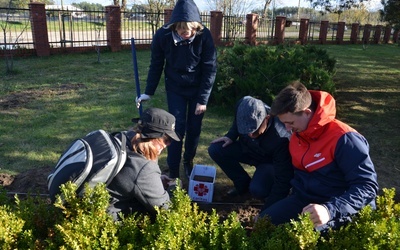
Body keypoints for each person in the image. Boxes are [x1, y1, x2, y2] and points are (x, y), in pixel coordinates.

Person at [258, 81, 379, 231]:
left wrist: (329, 210)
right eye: (283, 123)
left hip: (339, 206)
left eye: (290, 122)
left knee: (302, 237)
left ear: (307, 112)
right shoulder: (297, 136)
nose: (287, 129)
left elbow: (367, 187)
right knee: (264, 223)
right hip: (306, 200)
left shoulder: (345, 139)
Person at [135, 0, 217, 179]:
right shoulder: (162, 36)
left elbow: (210, 68)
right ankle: (173, 169)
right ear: (174, 26)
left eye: (189, 30)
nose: (185, 33)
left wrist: (203, 99)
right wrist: (148, 92)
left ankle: (188, 161)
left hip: (197, 88)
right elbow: (156, 64)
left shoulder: (205, 36)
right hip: (175, 87)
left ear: (196, 26)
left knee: (194, 128)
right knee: (176, 127)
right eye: (181, 30)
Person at [208, 96, 293, 208]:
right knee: (216, 149)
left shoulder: (281, 137)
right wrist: (231, 136)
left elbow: (283, 178)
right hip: (247, 149)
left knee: (258, 190)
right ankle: (242, 185)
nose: (250, 135)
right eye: (246, 131)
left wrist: (268, 209)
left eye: (254, 131)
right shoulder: (243, 104)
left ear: (267, 119)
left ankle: (264, 190)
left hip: (268, 162)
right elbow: (237, 121)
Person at [107, 108, 182, 220]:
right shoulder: (144, 168)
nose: (168, 144)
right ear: (154, 136)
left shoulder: (122, 137)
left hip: (98, 204)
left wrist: (156, 180)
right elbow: (166, 209)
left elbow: (132, 177)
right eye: (167, 139)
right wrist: (174, 188)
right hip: (111, 223)